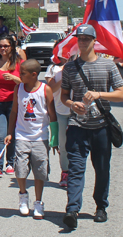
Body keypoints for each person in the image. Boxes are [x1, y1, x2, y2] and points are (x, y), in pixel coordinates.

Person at [60, 24, 123, 229]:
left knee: (102, 168)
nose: (82, 42)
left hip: (101, 127)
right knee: (76, 168)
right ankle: (72, 209)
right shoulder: (70, 67)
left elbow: (122, 94)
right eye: (80, 39)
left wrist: (99, 94)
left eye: (86, 39)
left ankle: (100, 206)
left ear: (94, 41)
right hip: (77, 125)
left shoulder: (108, 66)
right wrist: (72, 104)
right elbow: (63, 96)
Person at [5, 59, 58, 219]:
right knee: (20, 169)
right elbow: (14, 111)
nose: (19, 76)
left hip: (40, 137)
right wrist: (10, 132)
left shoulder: (45, 90)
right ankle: (23, 196)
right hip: (22, 135)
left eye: (22, 73)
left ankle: (38, 202)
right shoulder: (18, 88)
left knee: (40, 172)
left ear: (34, 75)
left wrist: (54, 138)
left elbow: (53, 115)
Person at [0, 35, 23, 178]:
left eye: (6, 46)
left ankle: (11, 163)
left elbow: (28, 83)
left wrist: (17, 80)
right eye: (0, 46)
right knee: (0, 135)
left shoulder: (19, 63)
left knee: (12, 135)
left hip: (14, 104)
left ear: (12, 47)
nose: (3, 49)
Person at [45, 51, 71, 187]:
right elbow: (51, 88)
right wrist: (64, 76)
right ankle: (65, 172)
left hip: (76, 111)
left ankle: (75, 173)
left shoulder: (79, 66)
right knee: (62, 144)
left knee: (76, 144)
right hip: (60, 110)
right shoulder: (53, 69)